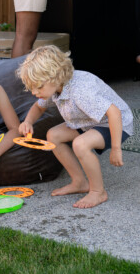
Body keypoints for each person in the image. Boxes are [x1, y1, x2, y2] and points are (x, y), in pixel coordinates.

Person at [17, 45, 133, 209]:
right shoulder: (55, 87)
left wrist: (116, 148)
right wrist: (28, 121)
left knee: (81, 144)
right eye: (31, 88)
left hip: (115, 123)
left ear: (55, 76)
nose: (34, 92)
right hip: (87, 121)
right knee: (53, 135)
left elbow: (114, 113)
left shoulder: (81, 91)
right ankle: (79, 182)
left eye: (38, 87)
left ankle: (98, 192)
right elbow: (38, 107)